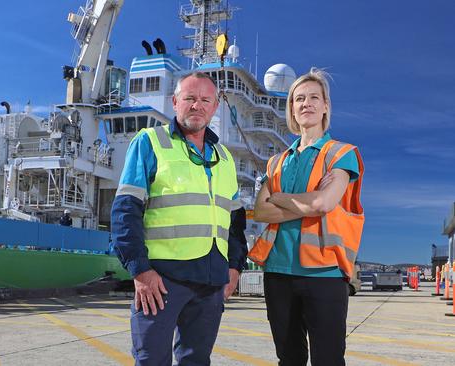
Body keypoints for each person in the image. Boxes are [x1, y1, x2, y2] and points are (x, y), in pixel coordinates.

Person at [111, 71, 248, 365]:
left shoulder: (224, 158)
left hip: (211, 282)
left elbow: (235, 223)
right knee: (152, 360)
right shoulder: (150, 142)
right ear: (175, 102)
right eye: (189, 98)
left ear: (214, 108)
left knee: (197, 360)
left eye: (204, 100)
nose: (196, 106)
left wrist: (235, 267)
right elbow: (125, 210)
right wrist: (140, 271)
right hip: (161, 280)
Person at [248, 68, 365, 365]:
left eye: (314, 97)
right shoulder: (276, 161)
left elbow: (324, 203)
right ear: (291, 109)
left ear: (326, 106)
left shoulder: (341, 153)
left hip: (324, 274)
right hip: (278, 273)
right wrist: (304, 203)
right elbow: (261, 211)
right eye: (299, 99)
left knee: (328, 359)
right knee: (288, 359)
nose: (306, 103)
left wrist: (280, 198)